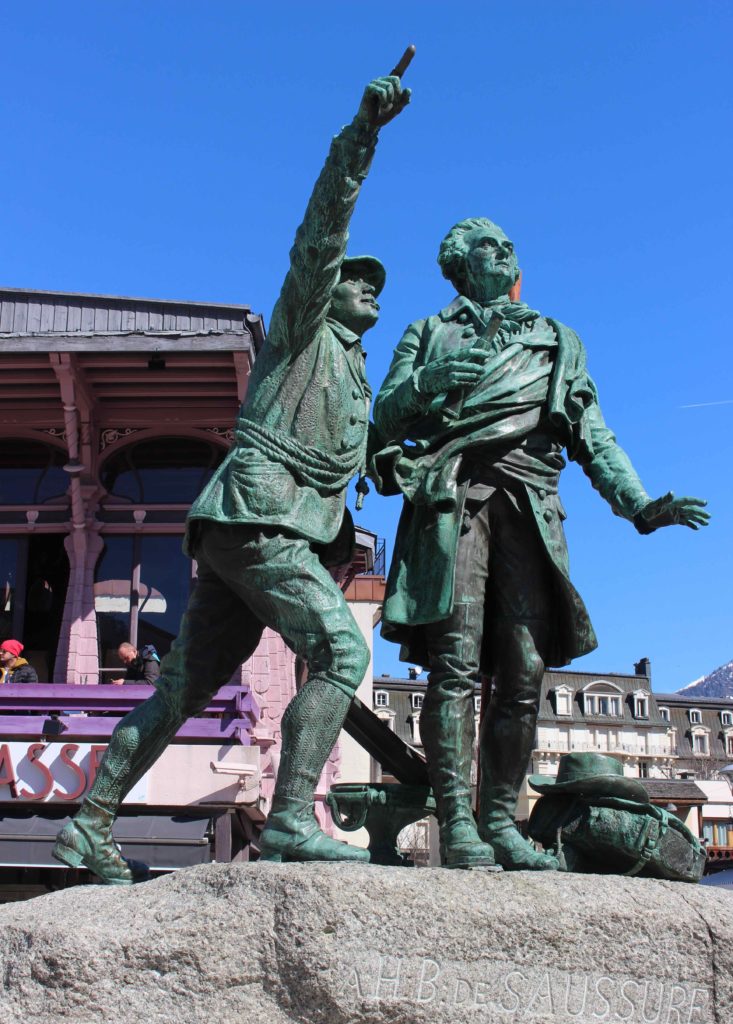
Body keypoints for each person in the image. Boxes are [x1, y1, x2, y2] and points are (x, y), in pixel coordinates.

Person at [53, 72, 410, 885]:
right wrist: (362, 135)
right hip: (259, 516)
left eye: (377, 290)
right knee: (337, 653)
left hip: (264, 531)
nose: (370, 294)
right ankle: (289, 821)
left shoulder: (354, 375)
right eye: (360, 281)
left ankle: (87, 826)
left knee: (181, 688)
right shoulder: (301, 323)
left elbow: (375, 447)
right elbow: (321, 228)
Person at [371, 216, 709, 872]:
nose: (507, 256)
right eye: (491, 248)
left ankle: (500, 819)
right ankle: (457, 820)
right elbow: (384, 415)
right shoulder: (429, 333)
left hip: (530, 505)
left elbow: (592, 434)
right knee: (455, 663)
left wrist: (637, 503)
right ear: (461, 265)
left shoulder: (555, 339)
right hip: (454, 501)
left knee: (523, 671)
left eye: (509, 248)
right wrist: (430, 380)